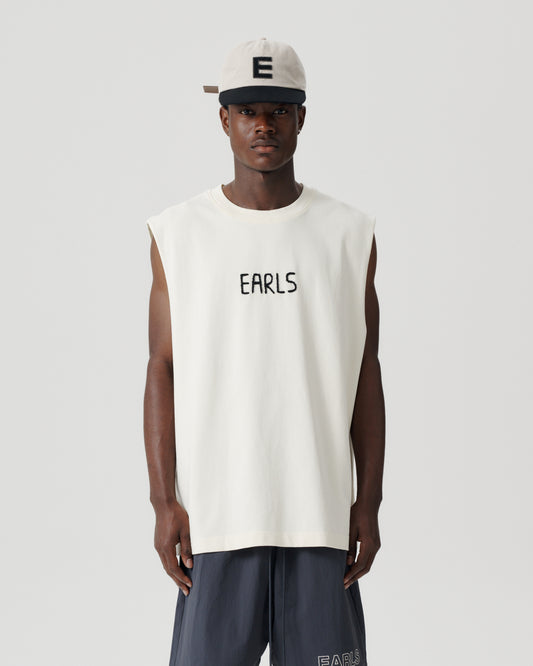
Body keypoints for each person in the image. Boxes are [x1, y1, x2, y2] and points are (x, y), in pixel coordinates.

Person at [143, 37, 385, 666]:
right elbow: (162, 368)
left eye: (279, 110)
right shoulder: (178, 233)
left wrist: (369, 500)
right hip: (216, 520)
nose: (264, 125)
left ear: (302, 117)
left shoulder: (349, 233)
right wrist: (164, 502)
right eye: (248, 110)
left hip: (320, 517)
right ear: (224, 118)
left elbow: (365, 370)